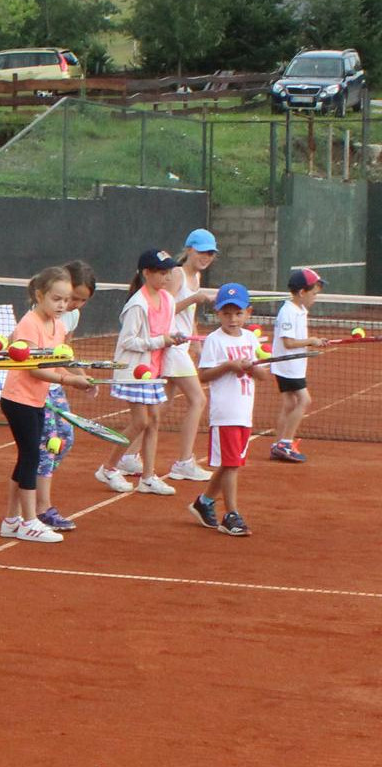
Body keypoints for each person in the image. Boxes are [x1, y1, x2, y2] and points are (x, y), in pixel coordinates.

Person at [0, 267, 103, 542]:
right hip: (17, 399)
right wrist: (69, 380)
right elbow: (34, 369)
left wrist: (81, 377)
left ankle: (12, 520)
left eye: (65, 300)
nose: (62, 305)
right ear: (40, 295)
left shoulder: (58, 326)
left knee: (27, 457)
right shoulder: (29, 324)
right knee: (31, 457)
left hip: (36, 399)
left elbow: (57, 360)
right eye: (56, 299)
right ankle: (30, 520)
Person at [98, 249, 190, 495]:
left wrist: (173, 338)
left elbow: (167, 330)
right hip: (134, 371)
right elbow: (128, 341)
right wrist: (161, 341)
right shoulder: (137, 304)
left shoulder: (168, 300)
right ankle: (108, 468)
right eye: (161, 272)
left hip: (155, 370)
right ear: (146, 273)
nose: (167, 277)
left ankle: (148, 477)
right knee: (141, 421)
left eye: (169, 272)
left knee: (154, 420)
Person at [189, 282, 268, 536]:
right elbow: (204, 375)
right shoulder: (214, 340)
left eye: (238, 313)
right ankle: (231, 514)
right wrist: (229, 366)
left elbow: (262, 375)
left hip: (244, 412)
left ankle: (205, 502)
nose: (232, 319)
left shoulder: (249, 338)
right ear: (217, 313)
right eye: (226, 313)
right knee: (232, 464)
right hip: (225, 413)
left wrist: (251, 368)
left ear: (248, 312)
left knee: (229, 462)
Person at [32, 259, 97, 531]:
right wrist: (69, 377)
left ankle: (32, 483)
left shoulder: (70, 316)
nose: (75, 305)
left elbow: (65, 353)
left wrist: (80, 374)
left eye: (81, 301)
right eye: (74, 298)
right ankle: (41, 507)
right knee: (50, 443)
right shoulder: (39, 316)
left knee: (65, 438)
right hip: (38, 386)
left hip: (56, 383)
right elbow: (39, 361)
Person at [156, 227, 220, 485]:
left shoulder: (196, 278)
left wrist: (196, 343)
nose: (207, 257)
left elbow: (188, 315)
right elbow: (164, 310)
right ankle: (184, 462)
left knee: (163, 405)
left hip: (182, 346)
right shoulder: (177, 274)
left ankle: (128, 454)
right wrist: (195, 298)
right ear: (190, 250)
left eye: (211, 254)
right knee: (198, 399)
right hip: (170, 345)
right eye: (203, 252)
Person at [269, 267, 329, 462]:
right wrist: (311, 341)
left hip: (293, 365)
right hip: (288, 365)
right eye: (313, 293)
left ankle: (278, 444)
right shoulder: (288, 312)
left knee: (289, 403)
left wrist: (315, 341)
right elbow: (288, 342)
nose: (315, 298)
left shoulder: (300, 310)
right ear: (302, 292)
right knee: (304, 400)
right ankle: (286, 443)